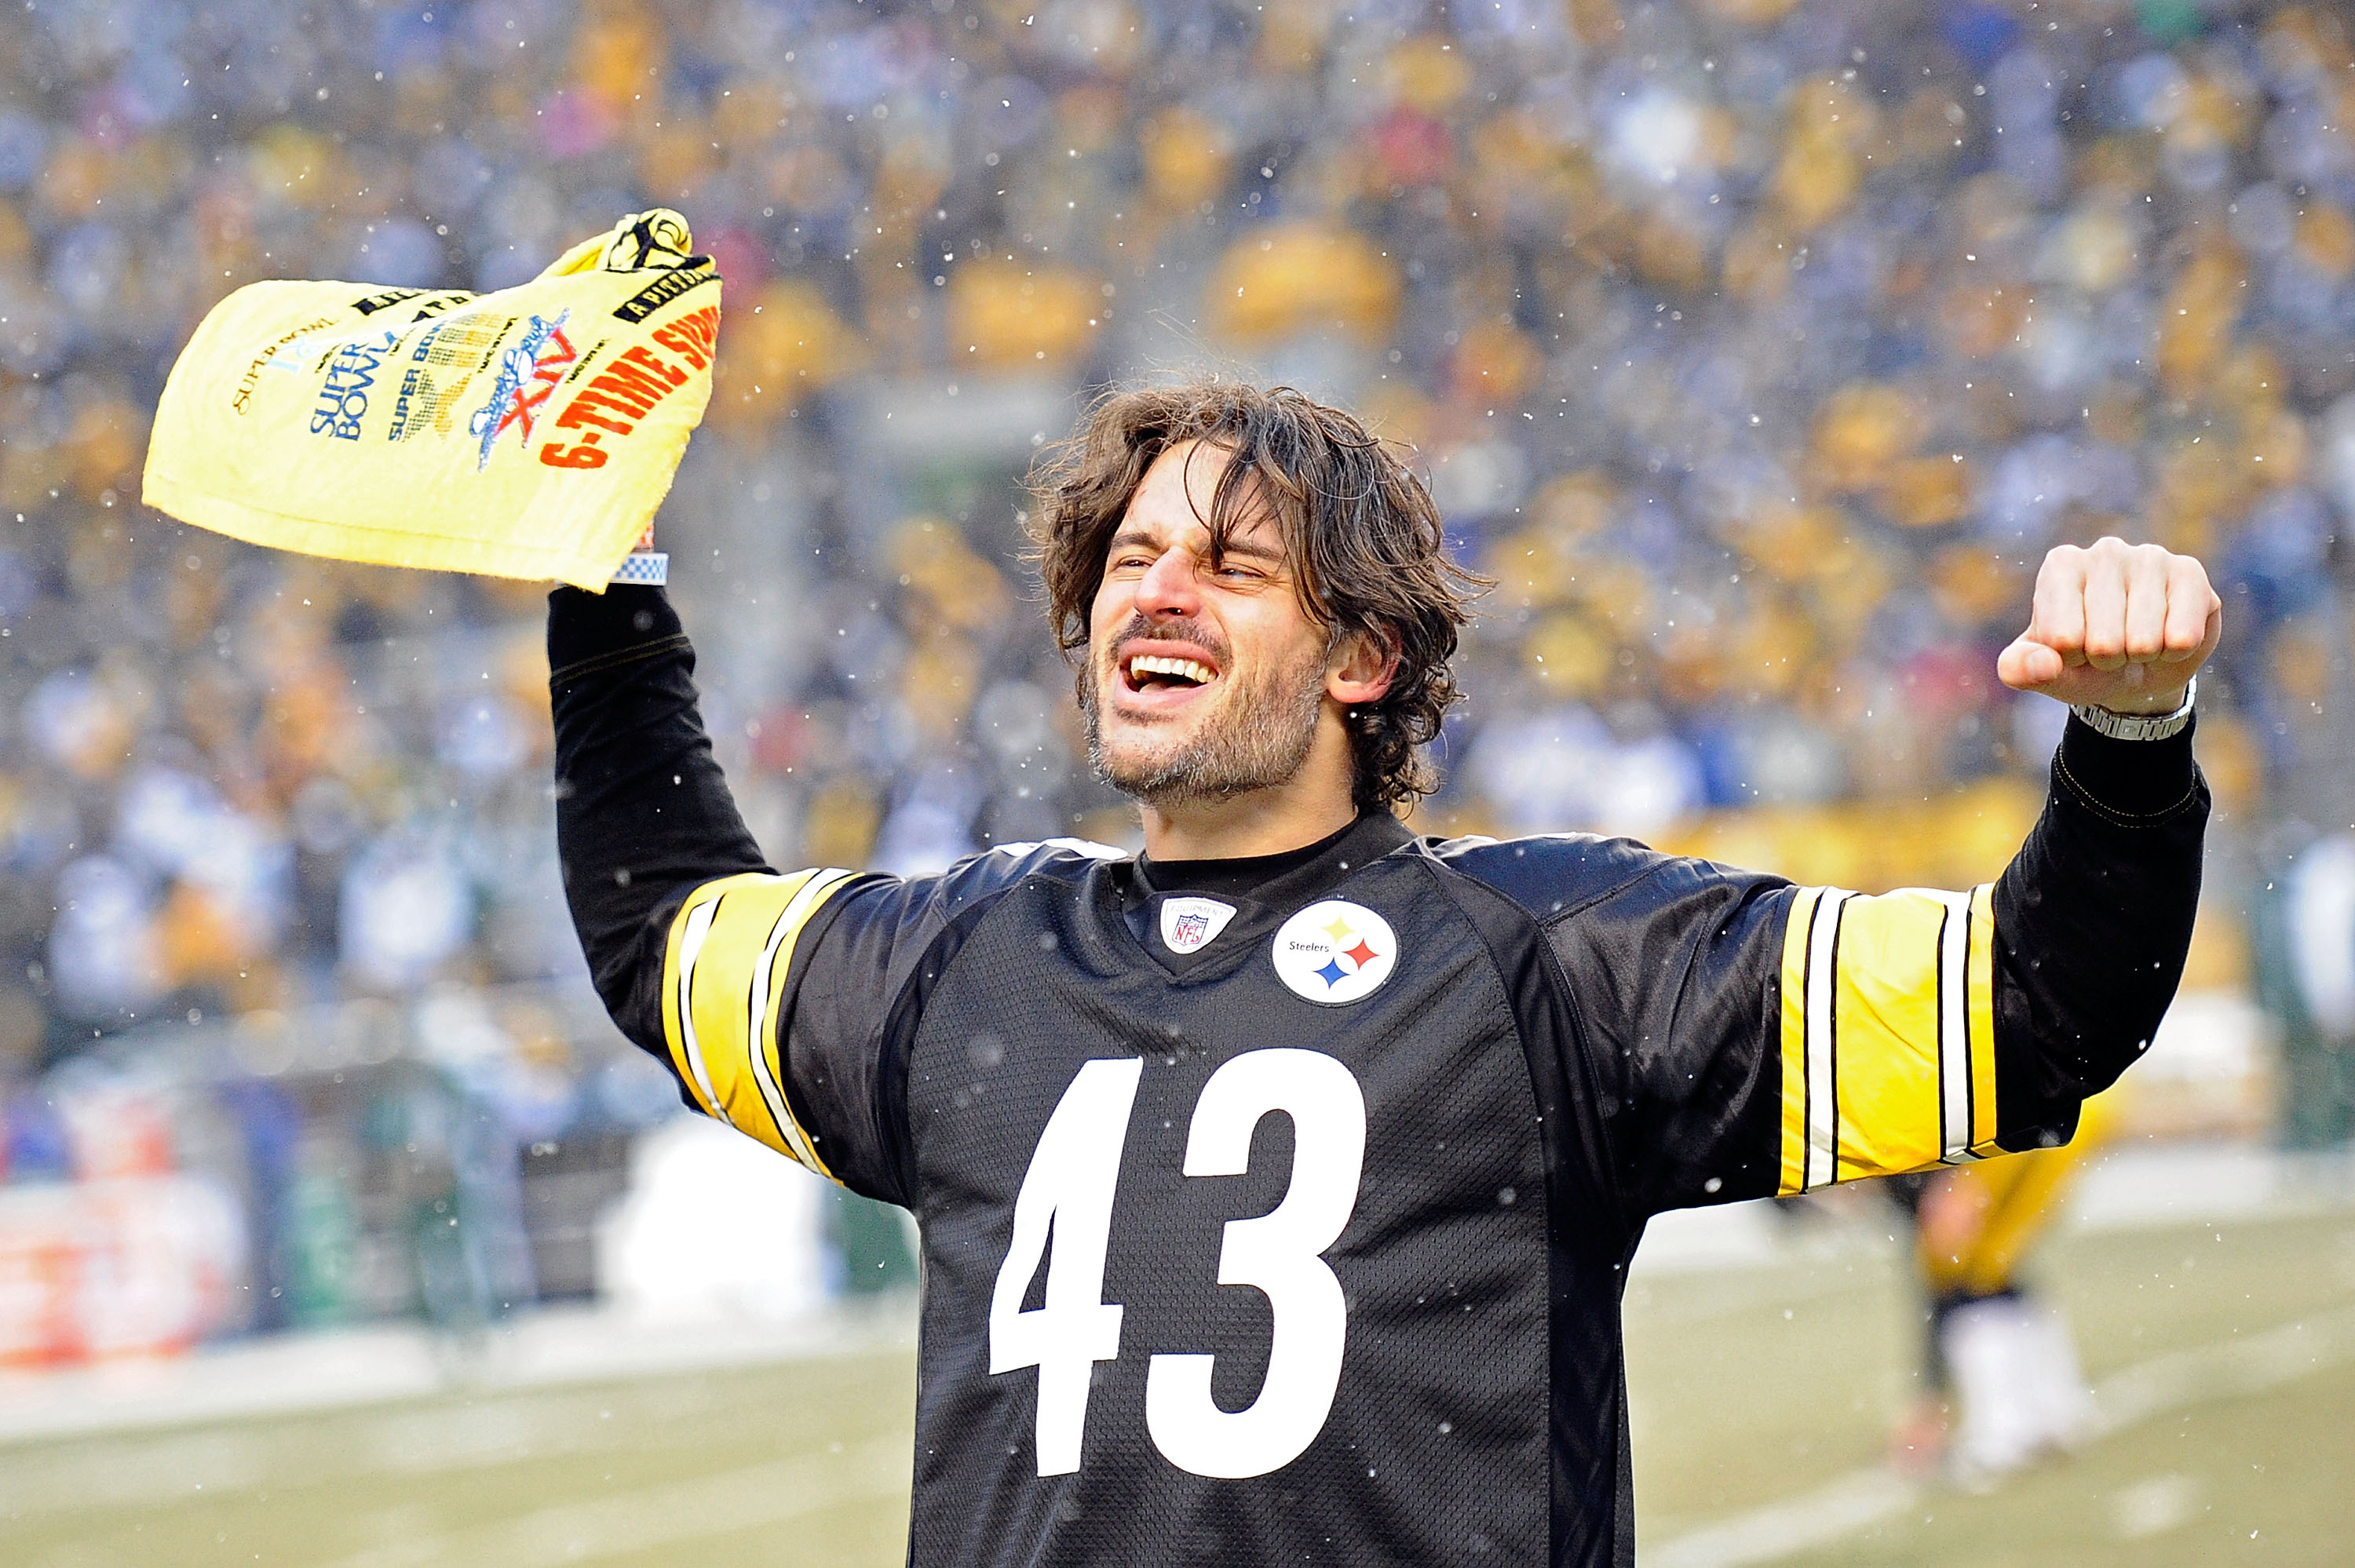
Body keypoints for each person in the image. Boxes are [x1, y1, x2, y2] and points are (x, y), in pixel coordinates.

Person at [549, 381, 2214, 1566]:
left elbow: (2031, 1008)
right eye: (1129, 558)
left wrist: (2130, 740)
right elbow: (669, 937)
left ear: (1364, 656)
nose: (1157, 589)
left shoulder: (1547, 960)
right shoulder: (962, 960)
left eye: (1231, 564)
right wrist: (606, 588)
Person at [1883, 1088, 2119, 1487]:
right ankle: (2053, 1408)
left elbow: (1937, 1275)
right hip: (2067, 1105)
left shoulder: (1879, 1158)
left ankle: (2003, 1431)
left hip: (2026, 1115)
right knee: (1992, 1263)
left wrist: (1928, 1398)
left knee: (1967, 1271)